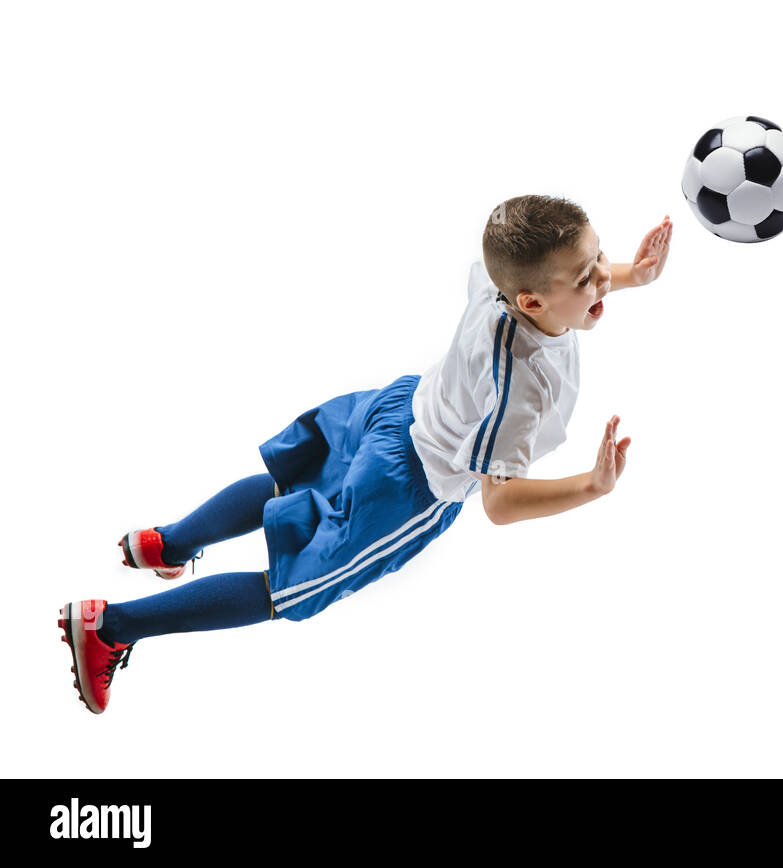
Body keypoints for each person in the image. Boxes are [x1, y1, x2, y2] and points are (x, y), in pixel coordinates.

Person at [58, 195, 673, 714]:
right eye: (588, 277)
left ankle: (167, 543)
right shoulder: (525, 385)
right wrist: (591, 486)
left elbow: (552, 272)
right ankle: (109, 627)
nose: (603, 279)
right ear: (532, 303)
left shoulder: (499, 279)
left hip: (394, 410)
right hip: (410, 486)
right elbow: (501, 501)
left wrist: (631, 275)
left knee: (285, 489)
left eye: (601, 260)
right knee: (289, 589)